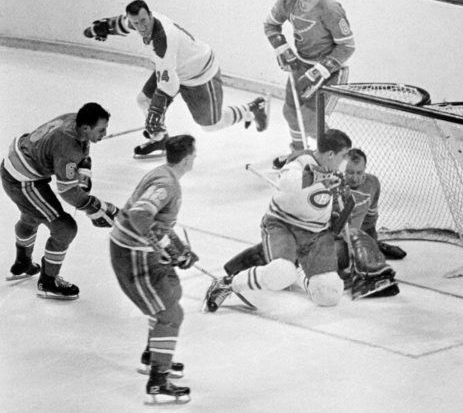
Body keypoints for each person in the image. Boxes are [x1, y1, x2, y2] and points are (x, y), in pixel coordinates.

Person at [84, 0, 269, 159]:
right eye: (136, 23)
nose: (141, 27)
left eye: (143, 21)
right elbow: (122, 23)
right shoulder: (139, 21)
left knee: (210, 125)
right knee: (143, 100)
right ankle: (160, 139)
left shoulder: (163, 39)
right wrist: (103, 28)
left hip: (199, 74)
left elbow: (169, 85)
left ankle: (251, 109)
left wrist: (156, 113)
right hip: (173, 68)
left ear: (150, 15)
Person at [222, 148, 405, 299]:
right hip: (326, 240)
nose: (355, 178)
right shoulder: (327, 186)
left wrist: (373, 245)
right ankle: (250, 269)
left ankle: (369, 274)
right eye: (349, 173)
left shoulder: (372, 184)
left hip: (346, 245)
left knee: (356, 237)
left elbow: (370, 220)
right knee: (292, 255)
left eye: (359, 173)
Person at [203, 129, 352, 313]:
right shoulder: (300, 162)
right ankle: (227, 284)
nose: (346, 161)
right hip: (283, 226)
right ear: (330, 154)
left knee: (329, 294)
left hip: (316, 233)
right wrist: (321, 178)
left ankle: (298, 273)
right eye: (344, 155)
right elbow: (289, 183)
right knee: (281, 272)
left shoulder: (336, 169)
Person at [109, 134, 198, 405]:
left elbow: (159, 224)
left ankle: (154, 355)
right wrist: (162, 244)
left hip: (138, 251)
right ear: (186, 159)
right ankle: (158, 381)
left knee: (172, 291)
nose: (195, 158)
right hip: (133, 254)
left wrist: (179, 250)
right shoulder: (165, 184)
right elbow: (139, 215)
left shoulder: (164, 174)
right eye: (194, 154)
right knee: (169, 313)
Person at [1, 103, 118, 300]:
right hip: (22, 181)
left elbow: (81, 154)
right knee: (65, 227)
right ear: (86, 128)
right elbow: (68, 191)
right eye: (101, 130)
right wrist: (96, 207)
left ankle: (22, 263)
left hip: (17, 168)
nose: (105, 133)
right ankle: (48, 281)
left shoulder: (74, 120)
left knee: (32, 215)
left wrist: (84, 173)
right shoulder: (67, 146)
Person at [264, 0, 355, 168]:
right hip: (301, 64)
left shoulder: (330, 9)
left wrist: (318, 71)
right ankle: (299, 155)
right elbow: (270, 25)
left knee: (311, 120)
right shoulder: (287, 2)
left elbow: (347, 46)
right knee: (290, 112)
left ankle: (336, 160)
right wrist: (282, 48)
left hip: (330, 70)